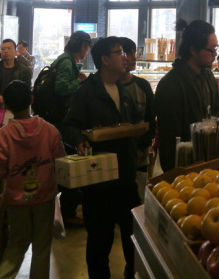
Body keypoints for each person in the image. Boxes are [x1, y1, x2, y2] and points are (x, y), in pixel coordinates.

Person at [62, 36, 142, 279]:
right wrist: (81, 139)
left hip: (127, 177)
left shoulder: (124, 90)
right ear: (105, 60)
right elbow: (69, 126)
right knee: (99, 242)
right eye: (120, 53)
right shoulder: (87, 92)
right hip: (99, 181)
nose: (126, 57)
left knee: (133, 237)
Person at [0, 80, 65, 279]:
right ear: (31, 100)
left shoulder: (0, 137)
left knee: (17, 244)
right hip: (45, 197)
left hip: (16, 200)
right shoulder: (50, 130)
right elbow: (61, 163)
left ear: (5, 105)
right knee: (42, 247)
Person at [154, 19, 219, 172]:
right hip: (184, 168)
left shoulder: (208, 76)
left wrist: (218, 125)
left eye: (216, 48)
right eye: (211, 49)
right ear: (193, 50)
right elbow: (170, 139)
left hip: (208, 161)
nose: (215, 54)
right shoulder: (171, 85)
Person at [49, 30, 92, 226]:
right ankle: (67, 213)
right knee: (68, 165)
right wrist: (79, 81)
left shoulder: (65, 60)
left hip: (57, 119)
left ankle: (67, 209)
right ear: (83, 46)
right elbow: (61, 88)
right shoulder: (67, 62)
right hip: (60, 121)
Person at [118, 37, 156, 200]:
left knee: (138, 203)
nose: (134, 57)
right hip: (115, 159)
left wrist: (142, 147)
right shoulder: (105, 88)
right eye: (128, 53)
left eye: (134, 53)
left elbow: (151, 122)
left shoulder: (143, 86)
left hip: (140, 158)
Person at [0, 38, 32, 109]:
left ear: (15, 52)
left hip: (16, 108)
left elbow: (27, 91)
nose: (6, 51)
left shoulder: (23, 70)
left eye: (9, 48)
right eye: (3, 49)